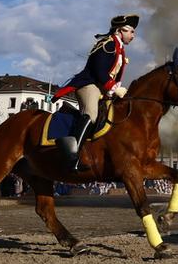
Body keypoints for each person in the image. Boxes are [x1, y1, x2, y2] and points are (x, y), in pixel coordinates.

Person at [52, 14, 138, 169]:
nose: (133, 36)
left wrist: (114, 90)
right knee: (91, 115)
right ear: (120, 30)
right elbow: (99, 71)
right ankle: (72, 157)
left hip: (103, 88)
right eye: (131, 31)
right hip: (89, 85)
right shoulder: (108, 44)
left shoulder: (119, 48)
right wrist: (114, 88)